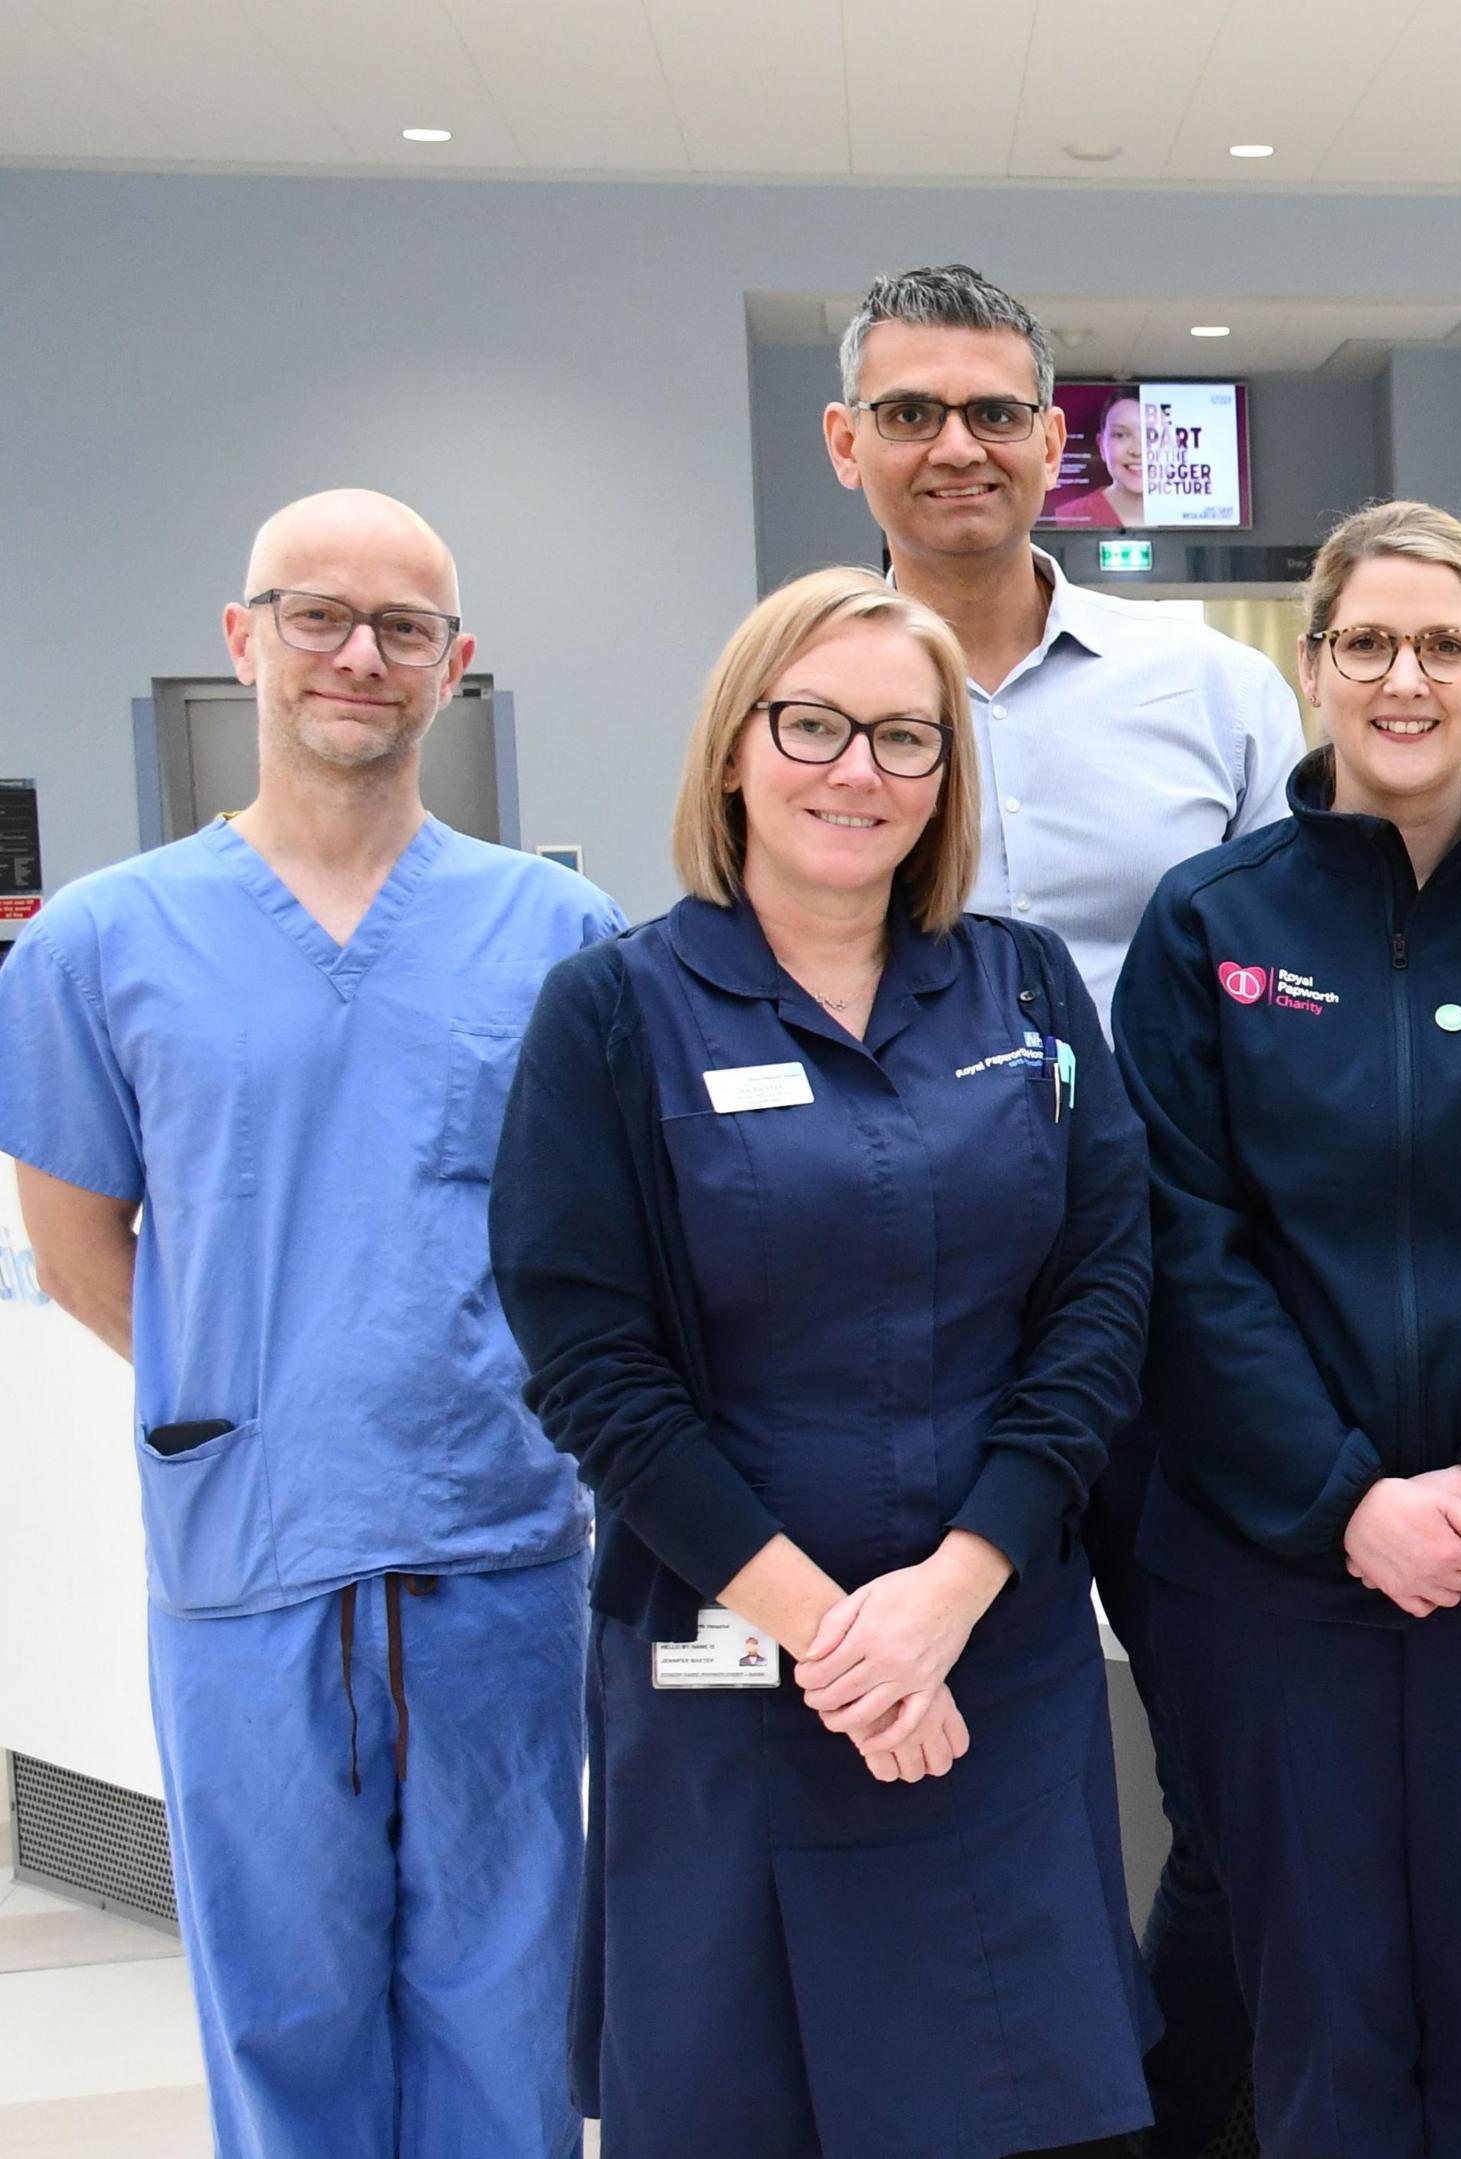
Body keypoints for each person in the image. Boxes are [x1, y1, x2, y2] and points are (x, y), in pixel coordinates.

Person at [487, 569, 1155, 2158]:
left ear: (946, 780)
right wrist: (837, 1637)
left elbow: (1104, 1297)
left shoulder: (1025, 989)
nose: (857, 770)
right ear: (735, 750)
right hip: (731, 1673)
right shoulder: (611, 1012)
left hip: (988, 1652)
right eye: (814, 724)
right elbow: (593, 1366)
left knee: (1021, 2103)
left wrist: (949, 1590)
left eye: (905, 740)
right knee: (745, 2102)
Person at [0, 490, 621, 2155]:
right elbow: (75, 1245)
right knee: (281, 1994)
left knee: (507, 1987)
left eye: (404, 626)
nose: (359, 653)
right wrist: (258, 1395)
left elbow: (602, 1254)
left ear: (454, 665)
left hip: (496, 1549)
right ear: (242, 635)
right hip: (247, 1552)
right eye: (318, 613)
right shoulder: (99, 941)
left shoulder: (559, 937)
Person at [1117, 500, 1461, 2158]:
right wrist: (1345, 1493)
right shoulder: (1210, 926)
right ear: (1310, 667)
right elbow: (1181, 1237)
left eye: (1443, 642)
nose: (1404, 675)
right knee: (1326, 2015)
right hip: (1268, 1563)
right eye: (1366, 640)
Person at [825, 261, 1298, 2139]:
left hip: (1187, 1329)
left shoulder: (1213, 691)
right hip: (917, 1352)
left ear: (1060, 444)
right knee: (936, 1788)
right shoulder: (804, 691)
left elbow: (1313, 984)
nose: (962, 446)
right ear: (849, 440)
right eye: (919, 412)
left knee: (1252, 1785)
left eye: (998, 411)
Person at [1043, 396, 1149, 530]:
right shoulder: (1069, 515)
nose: (1138, 451)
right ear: (1101, 445)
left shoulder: (1182, 511)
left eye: (1152, 435)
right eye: (1121, 435)